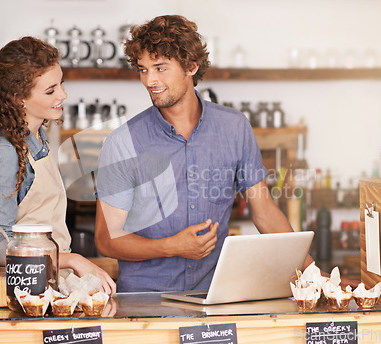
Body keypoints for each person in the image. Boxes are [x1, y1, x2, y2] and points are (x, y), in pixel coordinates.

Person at [94, 15, 355, 293]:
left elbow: (264, 211)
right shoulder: (123, 142)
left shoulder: (234, 127)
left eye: (160, 68)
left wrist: (313, 274)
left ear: (191, 67)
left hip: (216, 298)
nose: (150, 80)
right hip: (145, 302)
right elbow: (106, 239)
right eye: (143, 69)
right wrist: (171, 246)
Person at [0, 36, 116, 296]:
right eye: (50, 91)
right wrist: (71, 259)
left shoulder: (40, 139)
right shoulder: (6, 153)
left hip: (50, 282)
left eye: (61, 83)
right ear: (19, 99)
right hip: (29, 290)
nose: (63, 94)